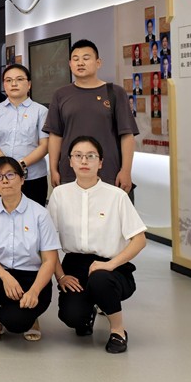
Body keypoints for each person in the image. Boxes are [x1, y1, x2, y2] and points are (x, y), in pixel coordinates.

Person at [48, 136, 147, 354]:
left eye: (91, 156)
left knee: (100, 279)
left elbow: (140, 239)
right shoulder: (60, 195)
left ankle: (118, 330)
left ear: (100, 162)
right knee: (72, 316)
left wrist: (109, 265)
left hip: (113, 268)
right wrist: (61, 276)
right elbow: (48, 242)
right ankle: (87, 313)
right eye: (78, 156)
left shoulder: (117, 196)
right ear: (70, 161)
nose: (84, 161)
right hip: (75, 265)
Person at [0, 157, 59, 342]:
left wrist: (34, 291)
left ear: (22, 179)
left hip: (33, 278)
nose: (4, 180)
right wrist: (5, 276)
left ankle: (31, 317)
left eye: (10, 175)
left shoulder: (40, 214)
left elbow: (49, 260)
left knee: (16, 323)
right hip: (2, 275)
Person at [44, 39, 137, 192]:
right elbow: (55, 135)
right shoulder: (60, 95)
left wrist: (126, 171)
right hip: (70, 172)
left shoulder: (115, 92)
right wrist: (53, 169)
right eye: (75, 59)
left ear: (98, 63)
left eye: (86, 58)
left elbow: (127, 135)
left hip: (108, 172)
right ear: (70, 64)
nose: (80, 63)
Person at [0, 63, 49, 207]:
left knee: (33, 214)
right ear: (4, 85)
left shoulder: (41, 111)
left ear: (29, 84)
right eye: (8, 80)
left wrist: (21, 165)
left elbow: (44, 145)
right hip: (1, 176)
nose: (14, 84)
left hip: (33, 176)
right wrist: (5, 165)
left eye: (19, 79)